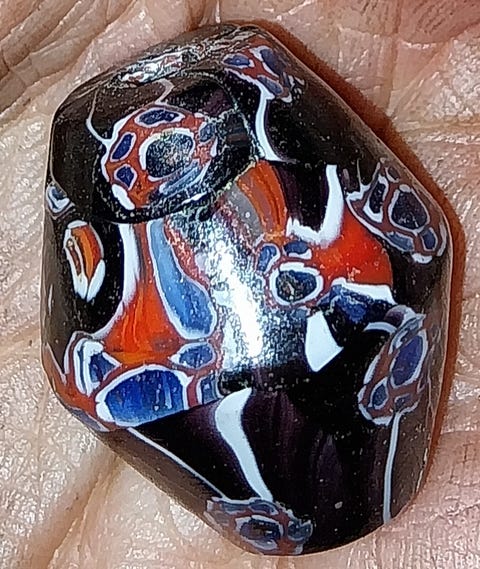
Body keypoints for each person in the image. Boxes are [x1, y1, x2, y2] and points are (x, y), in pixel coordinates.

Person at [0, 1, 478, 567]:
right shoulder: (134, 306)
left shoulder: (300, 213)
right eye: (133, 167)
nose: (138, 165)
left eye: (153, 151)